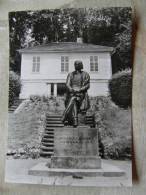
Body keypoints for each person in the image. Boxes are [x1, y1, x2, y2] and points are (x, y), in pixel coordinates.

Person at [62, 60, 90, 127]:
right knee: (73, 99)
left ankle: (64, 115)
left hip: (81, 94)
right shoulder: (70, 74)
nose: (76, 65)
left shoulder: (85, 74)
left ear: (81, 65)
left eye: (77, 64)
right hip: (72, 93)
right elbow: (67, 84)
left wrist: (80, 89)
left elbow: (87, 85)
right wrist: (72, 90)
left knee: (73, 98)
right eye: (75, 64)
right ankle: (75, 120)